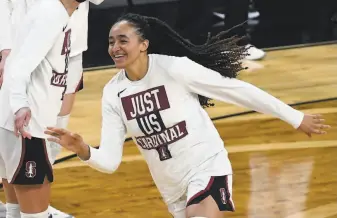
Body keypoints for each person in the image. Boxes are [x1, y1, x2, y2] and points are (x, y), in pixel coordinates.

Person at [45, 13, 330, 218]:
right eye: (111, 42)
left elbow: (239, 91)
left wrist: (295, 117)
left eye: (123, 40)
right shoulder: (113, 94)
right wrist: (83, 150)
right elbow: (110, 162)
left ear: (143, 44)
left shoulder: (174, 69)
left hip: (207, 169)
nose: (115, 48)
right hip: (171, 189)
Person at [0, 0, 90, 217]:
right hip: (27, 125)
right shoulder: (50, 14)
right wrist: (21, 105)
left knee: (15, 210)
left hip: (19, 122)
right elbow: (17, 68)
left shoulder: (57, 13)